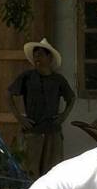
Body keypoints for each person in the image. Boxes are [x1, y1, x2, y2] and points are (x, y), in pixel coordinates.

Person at [8, 38, 76, 176]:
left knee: (53, 170)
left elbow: (71, 98)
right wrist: (20, 118)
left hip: (52, 130)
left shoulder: (58, 80)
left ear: (49, 57)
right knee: (31, 170)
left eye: (40, 54)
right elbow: (9, 94)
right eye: (35, 55)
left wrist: (63, 116)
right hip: (33, 131)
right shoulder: (27, 77)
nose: (37, 58)